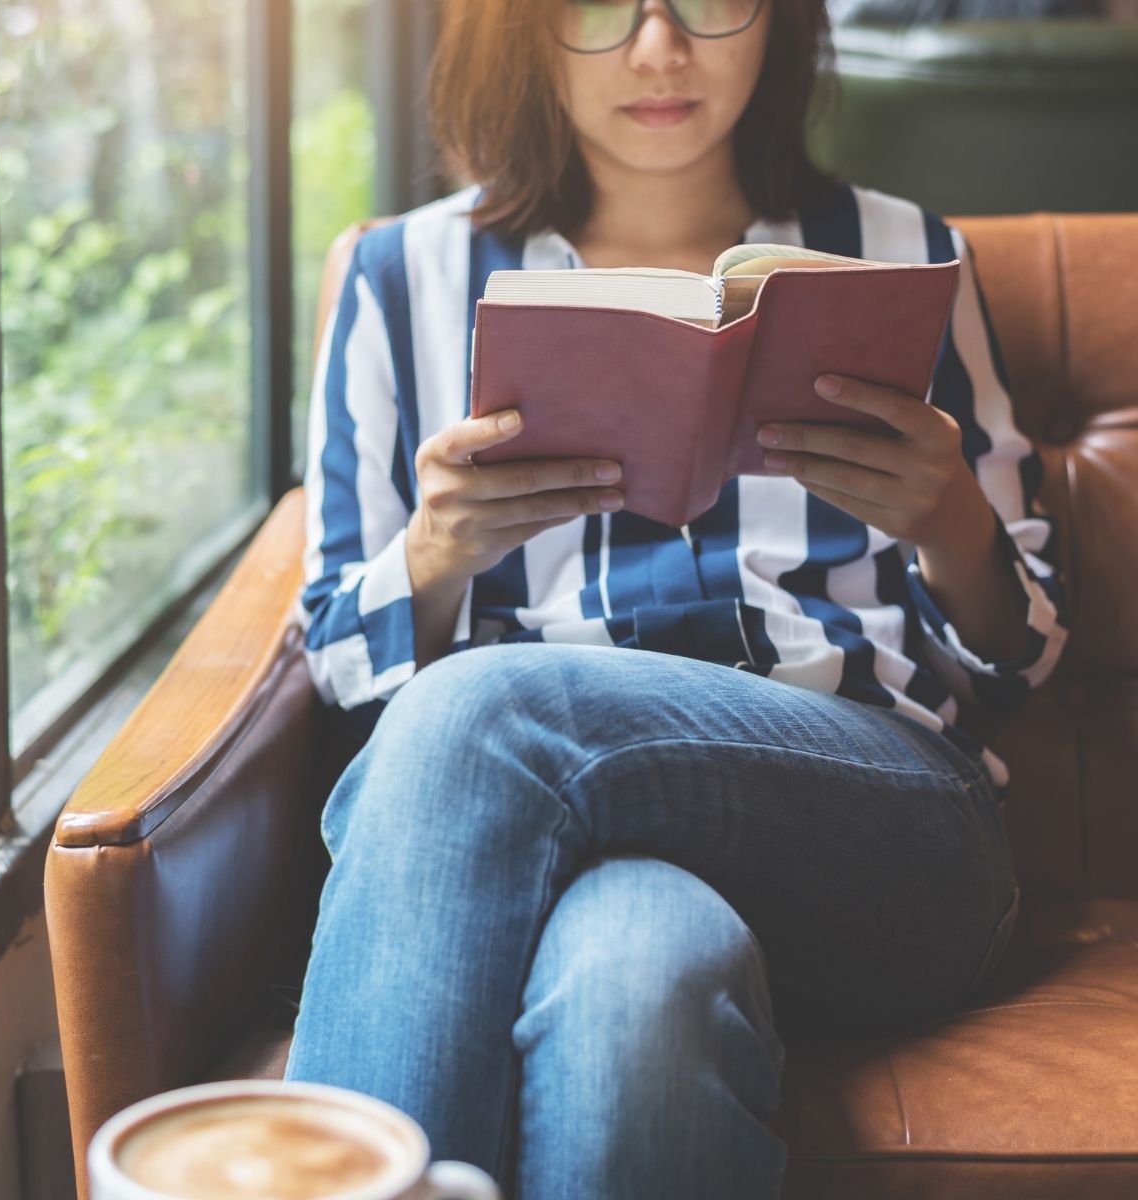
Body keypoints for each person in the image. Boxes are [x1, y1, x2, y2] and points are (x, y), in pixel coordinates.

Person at [284, 1, 1069, 1196]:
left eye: (706, 0)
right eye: (602, 7)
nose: (660, 48)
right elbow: (338, 660)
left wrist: (948, 514)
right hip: (570, 860)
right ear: (523, 31)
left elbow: (1027, 660)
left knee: (475, 710)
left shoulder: (900, 251)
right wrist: (438, 552)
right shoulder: (402, 278)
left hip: (881, 821)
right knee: (633, 983)